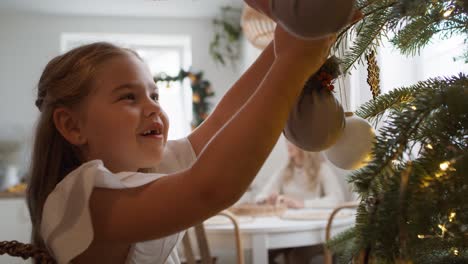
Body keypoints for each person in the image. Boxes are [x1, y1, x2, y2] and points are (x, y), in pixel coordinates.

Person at [26, 2, 360, 264]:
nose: (154, 107)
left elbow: (218, 126)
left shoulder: (143, 173)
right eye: (129, 96)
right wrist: (293, 61)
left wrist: (291, 38)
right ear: (72, 126)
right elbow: (209, 189)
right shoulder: (81, 199)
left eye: (154, 95)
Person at [255, 140, 346, 209]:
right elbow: (260, 197)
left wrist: (302, 204)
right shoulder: (284, 170)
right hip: (287, 220)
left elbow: (337, 199)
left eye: (293, 141)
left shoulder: (321, 169)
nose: (288, 145)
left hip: (311, 221)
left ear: (304, 144)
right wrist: (267, 200)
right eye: (287, 141)